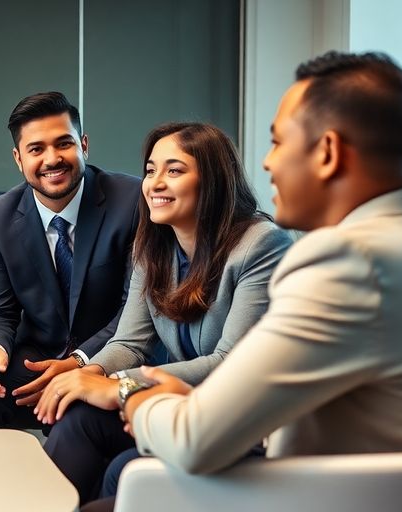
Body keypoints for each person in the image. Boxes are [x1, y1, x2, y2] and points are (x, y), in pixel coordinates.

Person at [111, 51, 402, 504]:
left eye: (278, 142)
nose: (268, 163)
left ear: (328, 153)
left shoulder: (346, 262)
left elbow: (194, 441)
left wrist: (134, 395)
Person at [34, 122, 292, 504]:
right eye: (151, 170)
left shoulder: (260, 245)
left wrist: (116, 385)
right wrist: (88, 374)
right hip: (180, 405)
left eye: (174, 171)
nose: (154, 183)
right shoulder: (153, 245)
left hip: (230, 419)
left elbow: (227, 363)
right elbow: (130, 342)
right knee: (76, 418)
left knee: (125, 467)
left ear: (214, 180)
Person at [0, 91, 141, 429]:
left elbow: (134, 310)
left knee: (77, 419)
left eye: (63, 144)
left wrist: (79, 361)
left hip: (107, 358)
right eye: (36, 149)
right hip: (37, 357)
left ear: (84, 145)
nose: (52, 159)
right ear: (18, 158)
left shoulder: (130, 203)